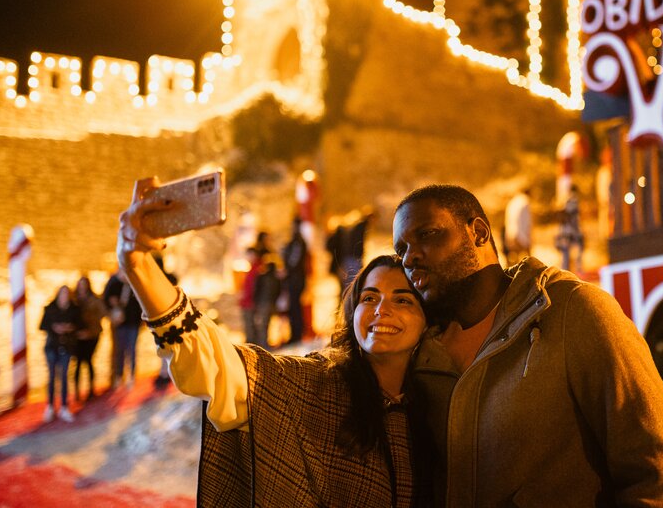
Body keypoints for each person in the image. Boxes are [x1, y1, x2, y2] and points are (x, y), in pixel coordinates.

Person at [116, 177, 433, 507]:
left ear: (427, 318)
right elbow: (222, 371)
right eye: (369, 298)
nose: (381, 310)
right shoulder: (316, 386)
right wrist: (139, 267)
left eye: (402, 300)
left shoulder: (438, 406)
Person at [393, 184, 663, 507]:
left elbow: (662, 481)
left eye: (427, 234)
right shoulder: (419, 351)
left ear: (479, 232)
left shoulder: (574, 311)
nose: (409, 258)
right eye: (401, 250)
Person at [39, 285, 81, 422]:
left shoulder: (74, 309)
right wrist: (54, 328)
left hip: (67, 347)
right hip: (52, 346)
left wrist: (70, 328)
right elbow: (42, 326)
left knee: (64, 377)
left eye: (66, 294)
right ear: (58, 295)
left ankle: (64, 407)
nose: (64, 297)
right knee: (52, 377)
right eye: (62, 294)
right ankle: (50, 407)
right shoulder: (50, 308)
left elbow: (80, 325)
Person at [104, 268, 143, 388]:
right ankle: (119, 376)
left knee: (132, 350)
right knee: (120, 350)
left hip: (133, 322)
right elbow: (106, 299)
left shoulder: (136, 283)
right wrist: (113, 305)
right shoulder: (114, 282)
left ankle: (131, 375)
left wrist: (141, 320)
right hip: (120, 324)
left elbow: (141, 303)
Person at [73, 275, 106, 401]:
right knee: (78, 363)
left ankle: (91, 389)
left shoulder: (94, 299)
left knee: (88, 360)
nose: (82, 287)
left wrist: (90, 331)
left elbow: (102, 314)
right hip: (77, 336)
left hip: (92, 335)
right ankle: (76, 392)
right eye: (80, 285)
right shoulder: (74, 299)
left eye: (84, 285)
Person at [281, 215, 310, 344]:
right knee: (294, 307)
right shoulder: (296, 241)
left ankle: (296, 335)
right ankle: (295, 334)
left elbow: (294, 261)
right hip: (295, 278)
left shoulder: (298, 241)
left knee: (295, 307)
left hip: (296, 279)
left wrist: (287, 270)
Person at [554, 183, 585, 273]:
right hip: (571, 230)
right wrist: (578, 230)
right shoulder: (573, 200)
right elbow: (573, 217)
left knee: (565, 254)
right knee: (578, 249)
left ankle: (564, 272)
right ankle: (578, 270)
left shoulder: (563, 199)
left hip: (563, 230)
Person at [503, 187, 532, 264]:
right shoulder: (525, 202)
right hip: (520, 235)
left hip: (510, 233)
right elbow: (527, 222)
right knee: (529, 261)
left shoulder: (513, 201)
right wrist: (528, 239)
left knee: (513, 260)